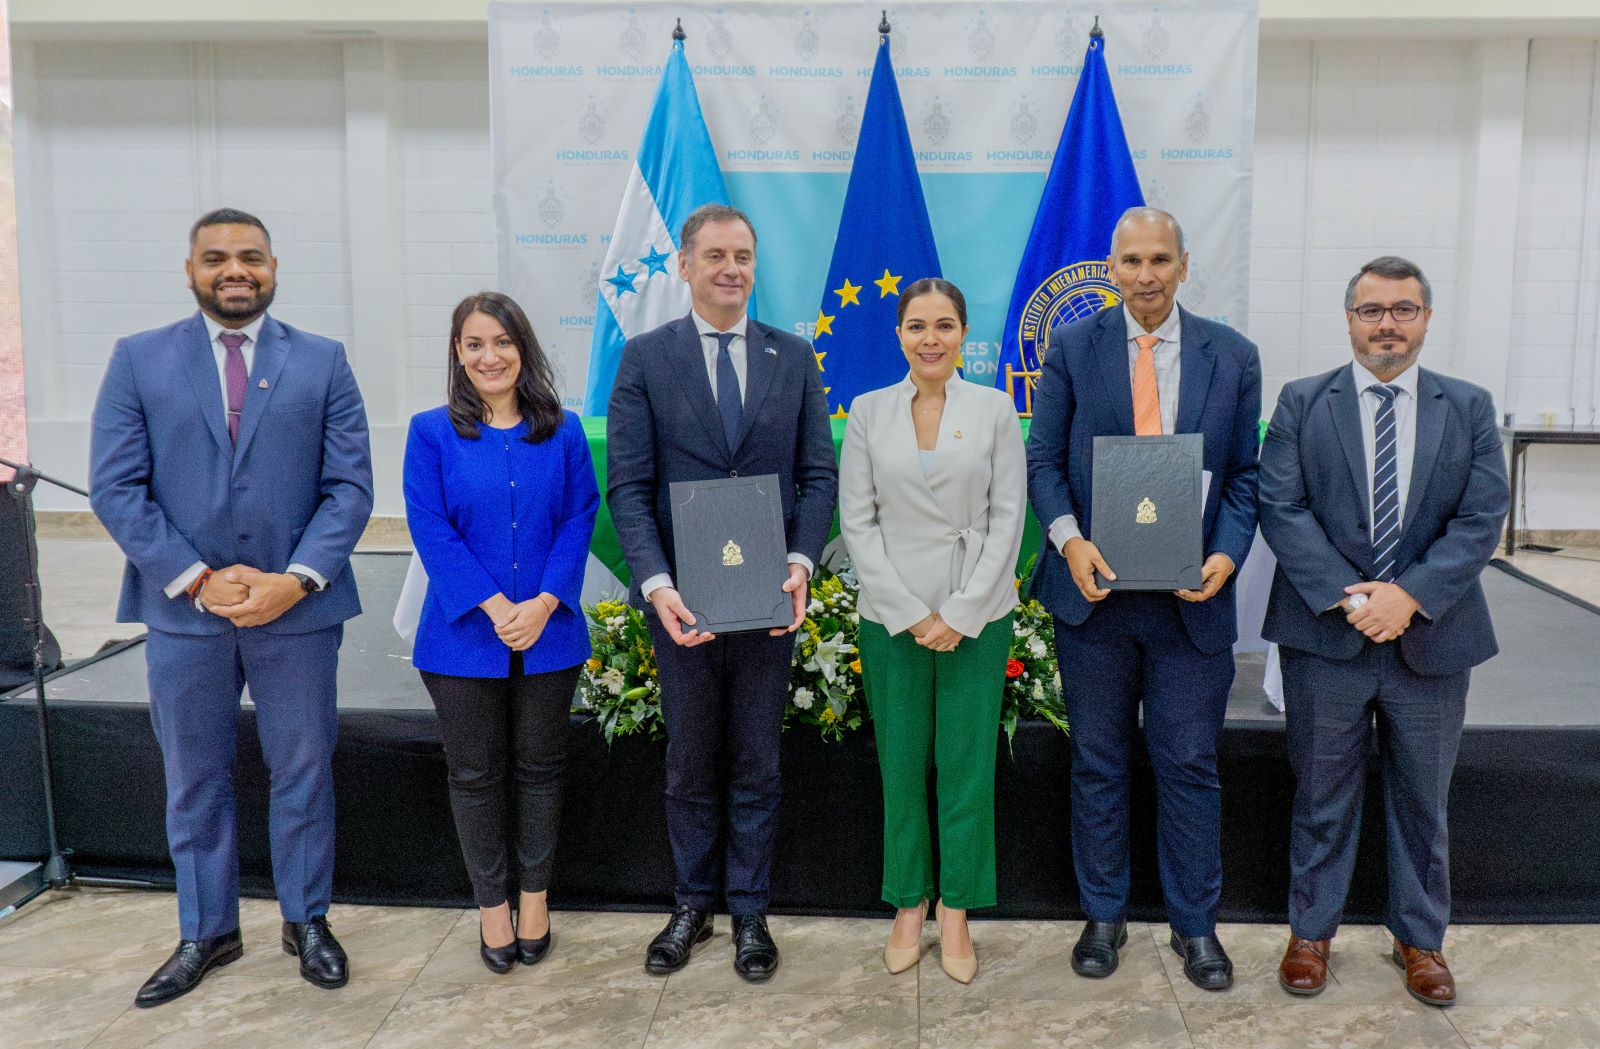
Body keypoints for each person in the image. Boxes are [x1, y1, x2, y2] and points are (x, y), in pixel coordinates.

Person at [89, 207, 373, 1007]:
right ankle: (206, 929)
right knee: (194, 776)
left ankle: (307, 919)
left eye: (250, 256)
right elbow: (116, 487)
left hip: (299, 613)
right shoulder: (139, 360)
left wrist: (296, 578)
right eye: (216, 258)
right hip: (185, 614)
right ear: (190, 270)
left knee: (305, 770)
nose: (234, 269)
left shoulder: (324, 361)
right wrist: (196, 577)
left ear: (274, 267)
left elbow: (350, 489)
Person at [1259, 256, 1509, 1006]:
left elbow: (1480, 516)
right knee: (1321, 793)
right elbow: (1283, 507)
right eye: (1372, 310)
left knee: (1423, 799)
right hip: (1325, 636)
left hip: (1431, 639)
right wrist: (1354, 598)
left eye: (1403, 309)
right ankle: (1311, 932)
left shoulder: (1467, 405)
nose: (1387, 324)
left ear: (1427, 319)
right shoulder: (1303, 401)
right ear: (1349, 319)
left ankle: (1421, 940)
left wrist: (1408, 595)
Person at [1026, 206, 1260, 991]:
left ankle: (1196, 926)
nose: (1147, 274)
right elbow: (1043, 460)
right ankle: (1103, 915)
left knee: (1189, 762)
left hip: (1192, 601)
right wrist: (1069, 539)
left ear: (1185, 266)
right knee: (1098, 761)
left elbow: (1247, 475)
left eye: (1161, 258)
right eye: (1132, 261)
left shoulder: (1232, 355)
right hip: (1095, 594)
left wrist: (1227, 551)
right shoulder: (1071, 348)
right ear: (1112, 269)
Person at [606, 203, 837, 982]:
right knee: (689, 759)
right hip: (684, 607)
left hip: (771, 602)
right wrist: (658, 585)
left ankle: (749, 912)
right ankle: (690, 905)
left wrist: (803, 560)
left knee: (757, 761)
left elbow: (818, 475)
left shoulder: (793, 356)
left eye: (742, 254)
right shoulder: (644, 358)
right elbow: (630, 488)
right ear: (685, 263)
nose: (730, 268)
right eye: (715, 255)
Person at [402, 292, 599, 974]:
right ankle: (493, 907)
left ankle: (536, 899)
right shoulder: (430, 432)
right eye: (475, 343)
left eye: (503, 342)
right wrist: (495, 606)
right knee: (476, 773)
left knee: (542, 768)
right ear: (457, 353)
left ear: (525, 349)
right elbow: (430, 526)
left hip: (550, 631)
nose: (491, 356)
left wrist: (544, 602)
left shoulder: (564, 431)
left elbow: (580, 516)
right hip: (462, 638)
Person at [839, 278, 1026, 984]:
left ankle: (956, 908)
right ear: (898, 335)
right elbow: (857, 521)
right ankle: (907, 901)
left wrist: (961, 611)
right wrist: (912, 612)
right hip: (894, 616)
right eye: (917, 325)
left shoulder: (995, 408)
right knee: (902, 765)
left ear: (963, 334)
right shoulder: (867, 411)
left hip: (976, 614)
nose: (930, 338)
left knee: (965, 766)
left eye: (944, 325)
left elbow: (1010, 518)